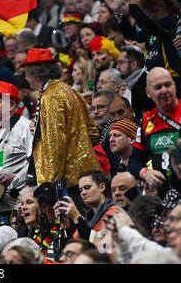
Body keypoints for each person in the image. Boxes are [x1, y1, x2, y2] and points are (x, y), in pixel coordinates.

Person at [23, 48, 100, 192]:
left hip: (67, 179)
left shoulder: (50, 96)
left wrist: (51, 184)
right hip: (85, 171)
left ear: (34, 74)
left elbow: (55, 142)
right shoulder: (68, 89)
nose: (26, 79)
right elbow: (93, 132)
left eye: (26, 74)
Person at [129, 67, 181, 198]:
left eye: (168, 85)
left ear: (174, 86)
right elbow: (134, 161)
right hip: (161, 196)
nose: (164, 91)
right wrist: (145, 173)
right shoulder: (146, 120)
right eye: (158, 87)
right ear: (148, 92)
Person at [0, 81, 34, 216]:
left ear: (12, 105)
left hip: (17, 204)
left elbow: (36, 161)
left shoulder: (25, 127)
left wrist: (15, 176)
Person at [54, 170, 119, 244]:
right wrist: (66, 225)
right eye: (80, 190)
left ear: (102, 187)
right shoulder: (88, 218)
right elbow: (74, 246)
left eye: (87, 187)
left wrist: (77, 218)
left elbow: (103, 246)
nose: (83, 193)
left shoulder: (114, 213)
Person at [117, 46, 154, 120]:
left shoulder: (147, 82)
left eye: (121, 63)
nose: (117, 67)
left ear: (133, 64)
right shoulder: (130, 85)